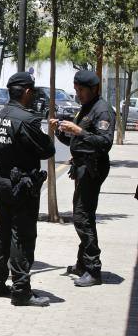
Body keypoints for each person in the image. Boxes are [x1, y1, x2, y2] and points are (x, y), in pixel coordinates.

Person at [0, 72, 55, 306]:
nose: (33, 95)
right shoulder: (27, 120)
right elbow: (47, 150)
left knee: (1, 232)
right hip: (22, 186)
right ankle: (21, 290)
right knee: (22, 236)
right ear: (26, 92)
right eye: (32, 92)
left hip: (2, 181)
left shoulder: (0, 115)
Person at [49, 70, 115, 287]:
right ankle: (82, 264)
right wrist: (61, 130)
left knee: (82, 217)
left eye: (81, 90)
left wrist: (78, 131)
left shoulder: (102, 110)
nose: (78, 94)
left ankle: (94, 269)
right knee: (82, 213)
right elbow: (76, 142)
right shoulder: (87, 108)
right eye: (76, 90)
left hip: (93, 168)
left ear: (94, 89)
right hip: (82, 168)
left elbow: (104, 143)